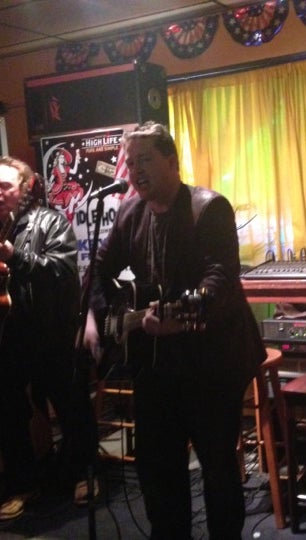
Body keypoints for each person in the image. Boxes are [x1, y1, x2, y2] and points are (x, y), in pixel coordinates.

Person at [83, 121, 266, 539]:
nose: (135, 171)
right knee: (158, 470)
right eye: (130, 164)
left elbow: (219, 278)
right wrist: (96, 317)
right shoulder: (130, 212)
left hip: (212, 360)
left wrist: (181, 315)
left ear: (171, 162)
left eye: (144, 160)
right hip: (156, 362)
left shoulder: (209, 207)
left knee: (218, 469)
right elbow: (98, 270)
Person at [0, 156, 98, 521]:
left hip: (50, 333)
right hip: (10, 336)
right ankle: (24, 482)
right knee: (9, 412)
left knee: (71, 406)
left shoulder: (50, 222)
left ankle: (84, 473)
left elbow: (62, 271)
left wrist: (17, 256)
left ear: (26, 189)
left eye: (5, 187)